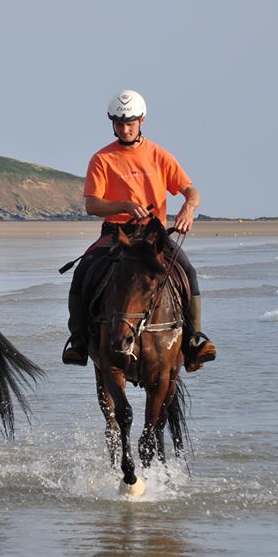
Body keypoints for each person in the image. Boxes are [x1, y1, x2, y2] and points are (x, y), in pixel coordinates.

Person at [61, 90, 217, 372]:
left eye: (130, 123)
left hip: (152, 237)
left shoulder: (159, 156)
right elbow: (91, 205)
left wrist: (187, 209)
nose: (124, 129)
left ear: (142, 120)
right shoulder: (102, 159)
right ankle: (79, 340)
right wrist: (124, 205)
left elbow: (191, 191)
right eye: (119, 124)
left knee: (188, 272)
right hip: (115, 235)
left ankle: (193, 341)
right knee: (82, 272)